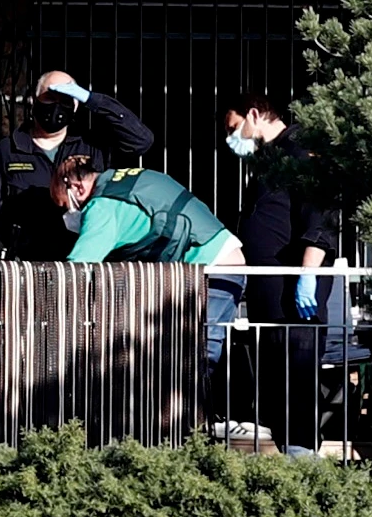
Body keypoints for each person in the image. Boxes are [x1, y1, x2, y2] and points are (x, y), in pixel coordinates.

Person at [50, 156, 248, 374]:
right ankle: (225, 405)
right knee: (209, 352)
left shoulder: (103, 206)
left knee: (197, 357)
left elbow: (78, 269)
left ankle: (200, 407)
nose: (67, 215)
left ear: (77, 188)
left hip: (208, 268)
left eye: (64, 206)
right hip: (225, 262)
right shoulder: (129, 179)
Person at [223, 93, 343, 447]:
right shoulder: (271, 161)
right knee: (276, 384)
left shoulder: (302, 153)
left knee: (297, 380)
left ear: (255, 115)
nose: (232, 138)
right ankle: (288, 451)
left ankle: (303, 459)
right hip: (269, 293)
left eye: (234, 128)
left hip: (293, 291)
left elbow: (321, 218)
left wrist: (308, 275)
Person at [0, 71, 154, 266]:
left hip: (86, 266)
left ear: (75, 105)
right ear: (34, 101)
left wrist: (92, 100)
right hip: (27, 268)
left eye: (65, 99)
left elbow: (141, 141)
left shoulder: (91, 146)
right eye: (49, 97)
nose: (56, 106)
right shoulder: (5, 152)